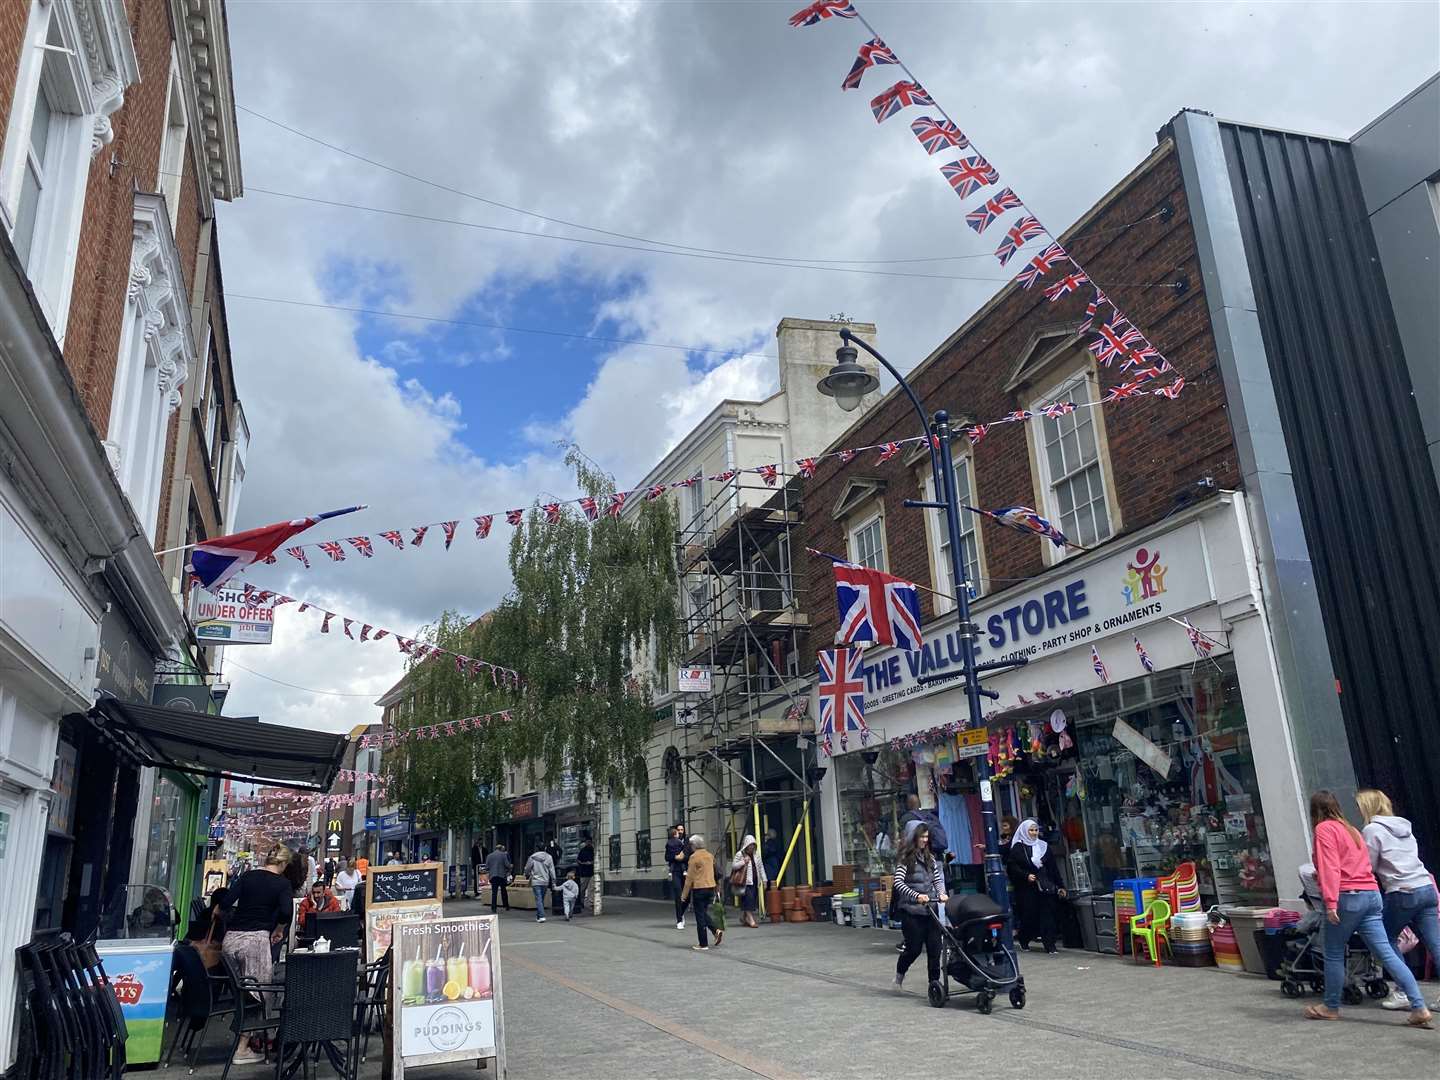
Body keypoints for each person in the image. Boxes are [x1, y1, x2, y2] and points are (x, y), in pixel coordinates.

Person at [1303, 790, 1431, 1026]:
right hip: (1371, 895)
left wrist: (1330, 902)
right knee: (1387, 953)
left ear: (1315, 811)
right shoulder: (1351, 829)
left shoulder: (1324, 829)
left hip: (1347, 897)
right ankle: (1418, 1005)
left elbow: (1331, 866)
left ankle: (1330, 1006)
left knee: (1333, 952)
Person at [1356, 789, 1440, 1010]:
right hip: (1425, 886)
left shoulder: (1371, 830)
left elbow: (1369, 866)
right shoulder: (1405, 828)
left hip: (1402, 890)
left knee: (1384, 938)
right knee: (1435, 943)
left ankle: (1403, 990)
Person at [222, 847, 294, 1066]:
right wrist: (279, 929)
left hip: (230, 941)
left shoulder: (248, 876)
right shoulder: (282, 884)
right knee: (259, 995)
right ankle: (243, 1048)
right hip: (255, 943)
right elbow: (286, 912)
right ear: (282, 865)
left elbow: (226, 902)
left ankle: (250, 1039)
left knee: (242, 994)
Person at [892, 822, 947, 993]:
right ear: (913, 837)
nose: (925, 840)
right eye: (922, 837)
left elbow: (936, 880)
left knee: (935, 949)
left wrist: (942, 893)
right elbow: (898, 883)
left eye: (926, 837)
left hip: (930, 910)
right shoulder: (905, 859)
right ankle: (899, 977)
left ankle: (934, 985)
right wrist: (916, 896)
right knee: (913, 949)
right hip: (912, 911)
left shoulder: (930, 858)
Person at [1006, 818, 1066, 953]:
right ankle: (1024, 939)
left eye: (1036, 830)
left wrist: (1060, 886)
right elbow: (1012, 867)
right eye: (1031, 830)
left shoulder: (1043, 846)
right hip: (1027, 889)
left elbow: (1053, 868)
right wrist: (1026, 876)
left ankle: (1050, 944)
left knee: (1048, 916)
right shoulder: (1018, 848)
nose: (1034, 833)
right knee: (1030, 916)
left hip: (1045, 886)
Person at [680, 834, 717, 951]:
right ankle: (716, 930)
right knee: (703, 912)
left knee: (700, 916)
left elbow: (689, 878)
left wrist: (684, 895)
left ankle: (703, 943)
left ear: (693, 845)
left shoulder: (693, 857)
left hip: (699, 889)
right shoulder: (710, 856)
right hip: (710, 887)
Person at [730, 834, 768, 928]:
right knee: (749, 899)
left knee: (752, 899)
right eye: (750, 845)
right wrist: (744, 862)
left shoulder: (756, 855)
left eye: (753, 845)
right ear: (746, 845)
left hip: (755, 881)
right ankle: (751, 920)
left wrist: (764, 880)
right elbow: (734, 866)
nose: (752, 847)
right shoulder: (740, 854)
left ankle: (744, 918)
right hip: (745, 881)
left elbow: (761, 867)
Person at [901, 794, 950, 858]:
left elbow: (904, 839)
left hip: (920, 857)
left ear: (909, 804)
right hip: (937, 857)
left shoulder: (906, 818)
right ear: (920, 804)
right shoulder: (931, 816)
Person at [665, 824, 691, 930]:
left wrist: (683, 858)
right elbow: (667, 857)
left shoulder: (687, 841)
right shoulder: (671, 842)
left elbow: (690, 855)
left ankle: (681, 912)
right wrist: (675, 857)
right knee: (678, 894)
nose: (680, 831)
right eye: (678, 830)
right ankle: (679, 920)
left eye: (682, 830)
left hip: (687, 871)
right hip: (676, 871)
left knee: (688, 897)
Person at [524, 845, 556, 923]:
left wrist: (526, 874)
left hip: (536, 881)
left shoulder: (532, 857)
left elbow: (527, 868)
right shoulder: (549, 857)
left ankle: (541, 916)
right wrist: (554, 880)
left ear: (536, 849)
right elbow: (552, 869)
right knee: (541, 899)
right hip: (545, 880)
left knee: (538, 899)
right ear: (545, 848)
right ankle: (539, 916)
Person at [486, 845, 513, 912]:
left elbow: (487, 866)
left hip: (493, 876)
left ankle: (493, 908)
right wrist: (510, 866)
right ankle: (506, 905)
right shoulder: (503, 855)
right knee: (503, 891)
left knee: (494, 892)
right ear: (501, 849)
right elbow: (507, 864)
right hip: (501, 875)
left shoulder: (489, 856)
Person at [576, 834, 595, 914]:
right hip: (584, 872)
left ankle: (590, 902)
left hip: (591, 872)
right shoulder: (582, 851)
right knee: (582, 888)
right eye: (587, 842)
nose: (588, 843)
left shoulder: (593, 850)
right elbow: (578, 860)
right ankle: (581, 902)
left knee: (591, 888)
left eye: (590, 842)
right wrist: (584, 863)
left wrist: (592, 862)